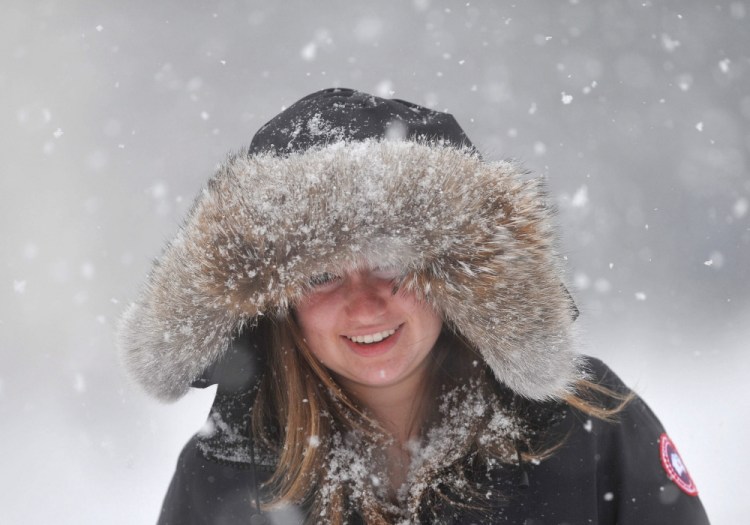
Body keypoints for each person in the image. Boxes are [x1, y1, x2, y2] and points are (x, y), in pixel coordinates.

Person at [117, 88, 711, 524]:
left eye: (391, 261)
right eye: (322, 274)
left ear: (459, 277)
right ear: (276, 303)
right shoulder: (225, 474)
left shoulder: (587, 424)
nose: (365, 302)